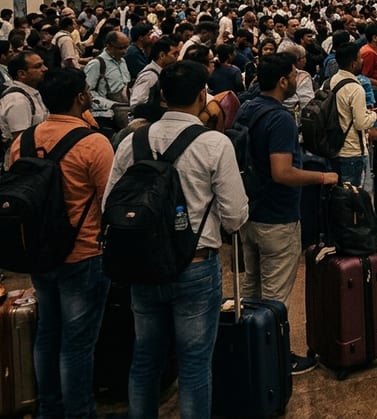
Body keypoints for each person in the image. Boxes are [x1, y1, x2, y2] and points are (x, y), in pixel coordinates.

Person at [104, 60, 249, 418]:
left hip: (142, 264)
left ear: (163, 95)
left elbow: (110, 205)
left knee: (145, 358)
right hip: (195, 265)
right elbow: (234, 216)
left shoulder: (132, 140)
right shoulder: (215, 143)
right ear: (203, 95)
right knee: (195, 363)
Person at [8, 68, 113, 418]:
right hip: (83, 251)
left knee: (47, 333)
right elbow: (108, 201)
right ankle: (80, 412)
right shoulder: (93, 142)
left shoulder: (21, 142)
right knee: (78, 343)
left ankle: (49, 409)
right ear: (81, 97)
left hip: (37, 250)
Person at [234, 53, 338, 375]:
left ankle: (248, 351)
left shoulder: (247, 108)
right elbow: (282, 171)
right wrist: (322, 177)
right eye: (293, 74)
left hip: (250, 212)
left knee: (251, 290)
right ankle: (278, 360)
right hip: (277, 217)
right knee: (276, 297)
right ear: (282, 80)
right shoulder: (278, 118)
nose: (297, 79)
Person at [331, 43, 377, 187]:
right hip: (352, 150)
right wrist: (374, 115)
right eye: (359, 58)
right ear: (353, 64)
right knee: (354, 198)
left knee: (341, 197)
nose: (362, 61)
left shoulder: (333, 80)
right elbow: (361, 123)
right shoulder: (355, 88)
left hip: (336, 146)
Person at [1, 51, 49, 162]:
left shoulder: (32, 92)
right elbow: (20, 143)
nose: (45, 69)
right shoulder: (17, 100)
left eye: (43, 64)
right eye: (38, 66)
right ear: (22, 74)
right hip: (25, 166)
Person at [130, 38, 180, 108]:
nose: (177, 58)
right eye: (174, 54)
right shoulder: (149, 76)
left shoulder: (162, 72)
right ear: (162, 55)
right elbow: (136, 104)